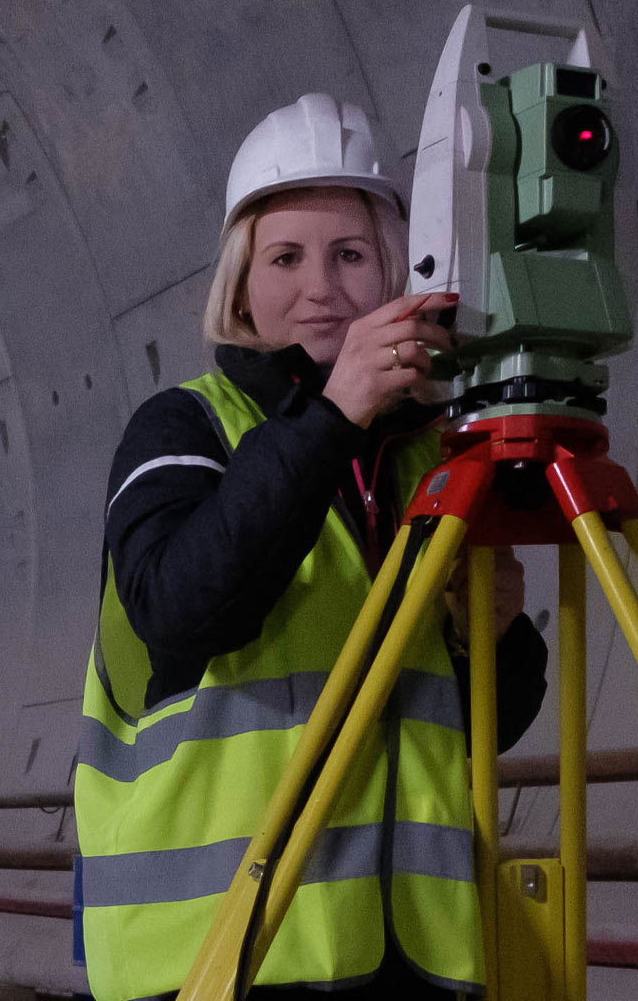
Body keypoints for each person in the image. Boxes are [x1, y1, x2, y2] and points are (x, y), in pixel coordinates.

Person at [74, 94, 549, 1000]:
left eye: (351, 254)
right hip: (218, 954)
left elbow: (464, 730)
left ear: (397, 271)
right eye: (286, 257)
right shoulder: (185, 426)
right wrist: (331, 416)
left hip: (407, 959)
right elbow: (180, 604)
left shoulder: (426, 459)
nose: (321, 286)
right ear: (241, 285)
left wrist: (494, 640)